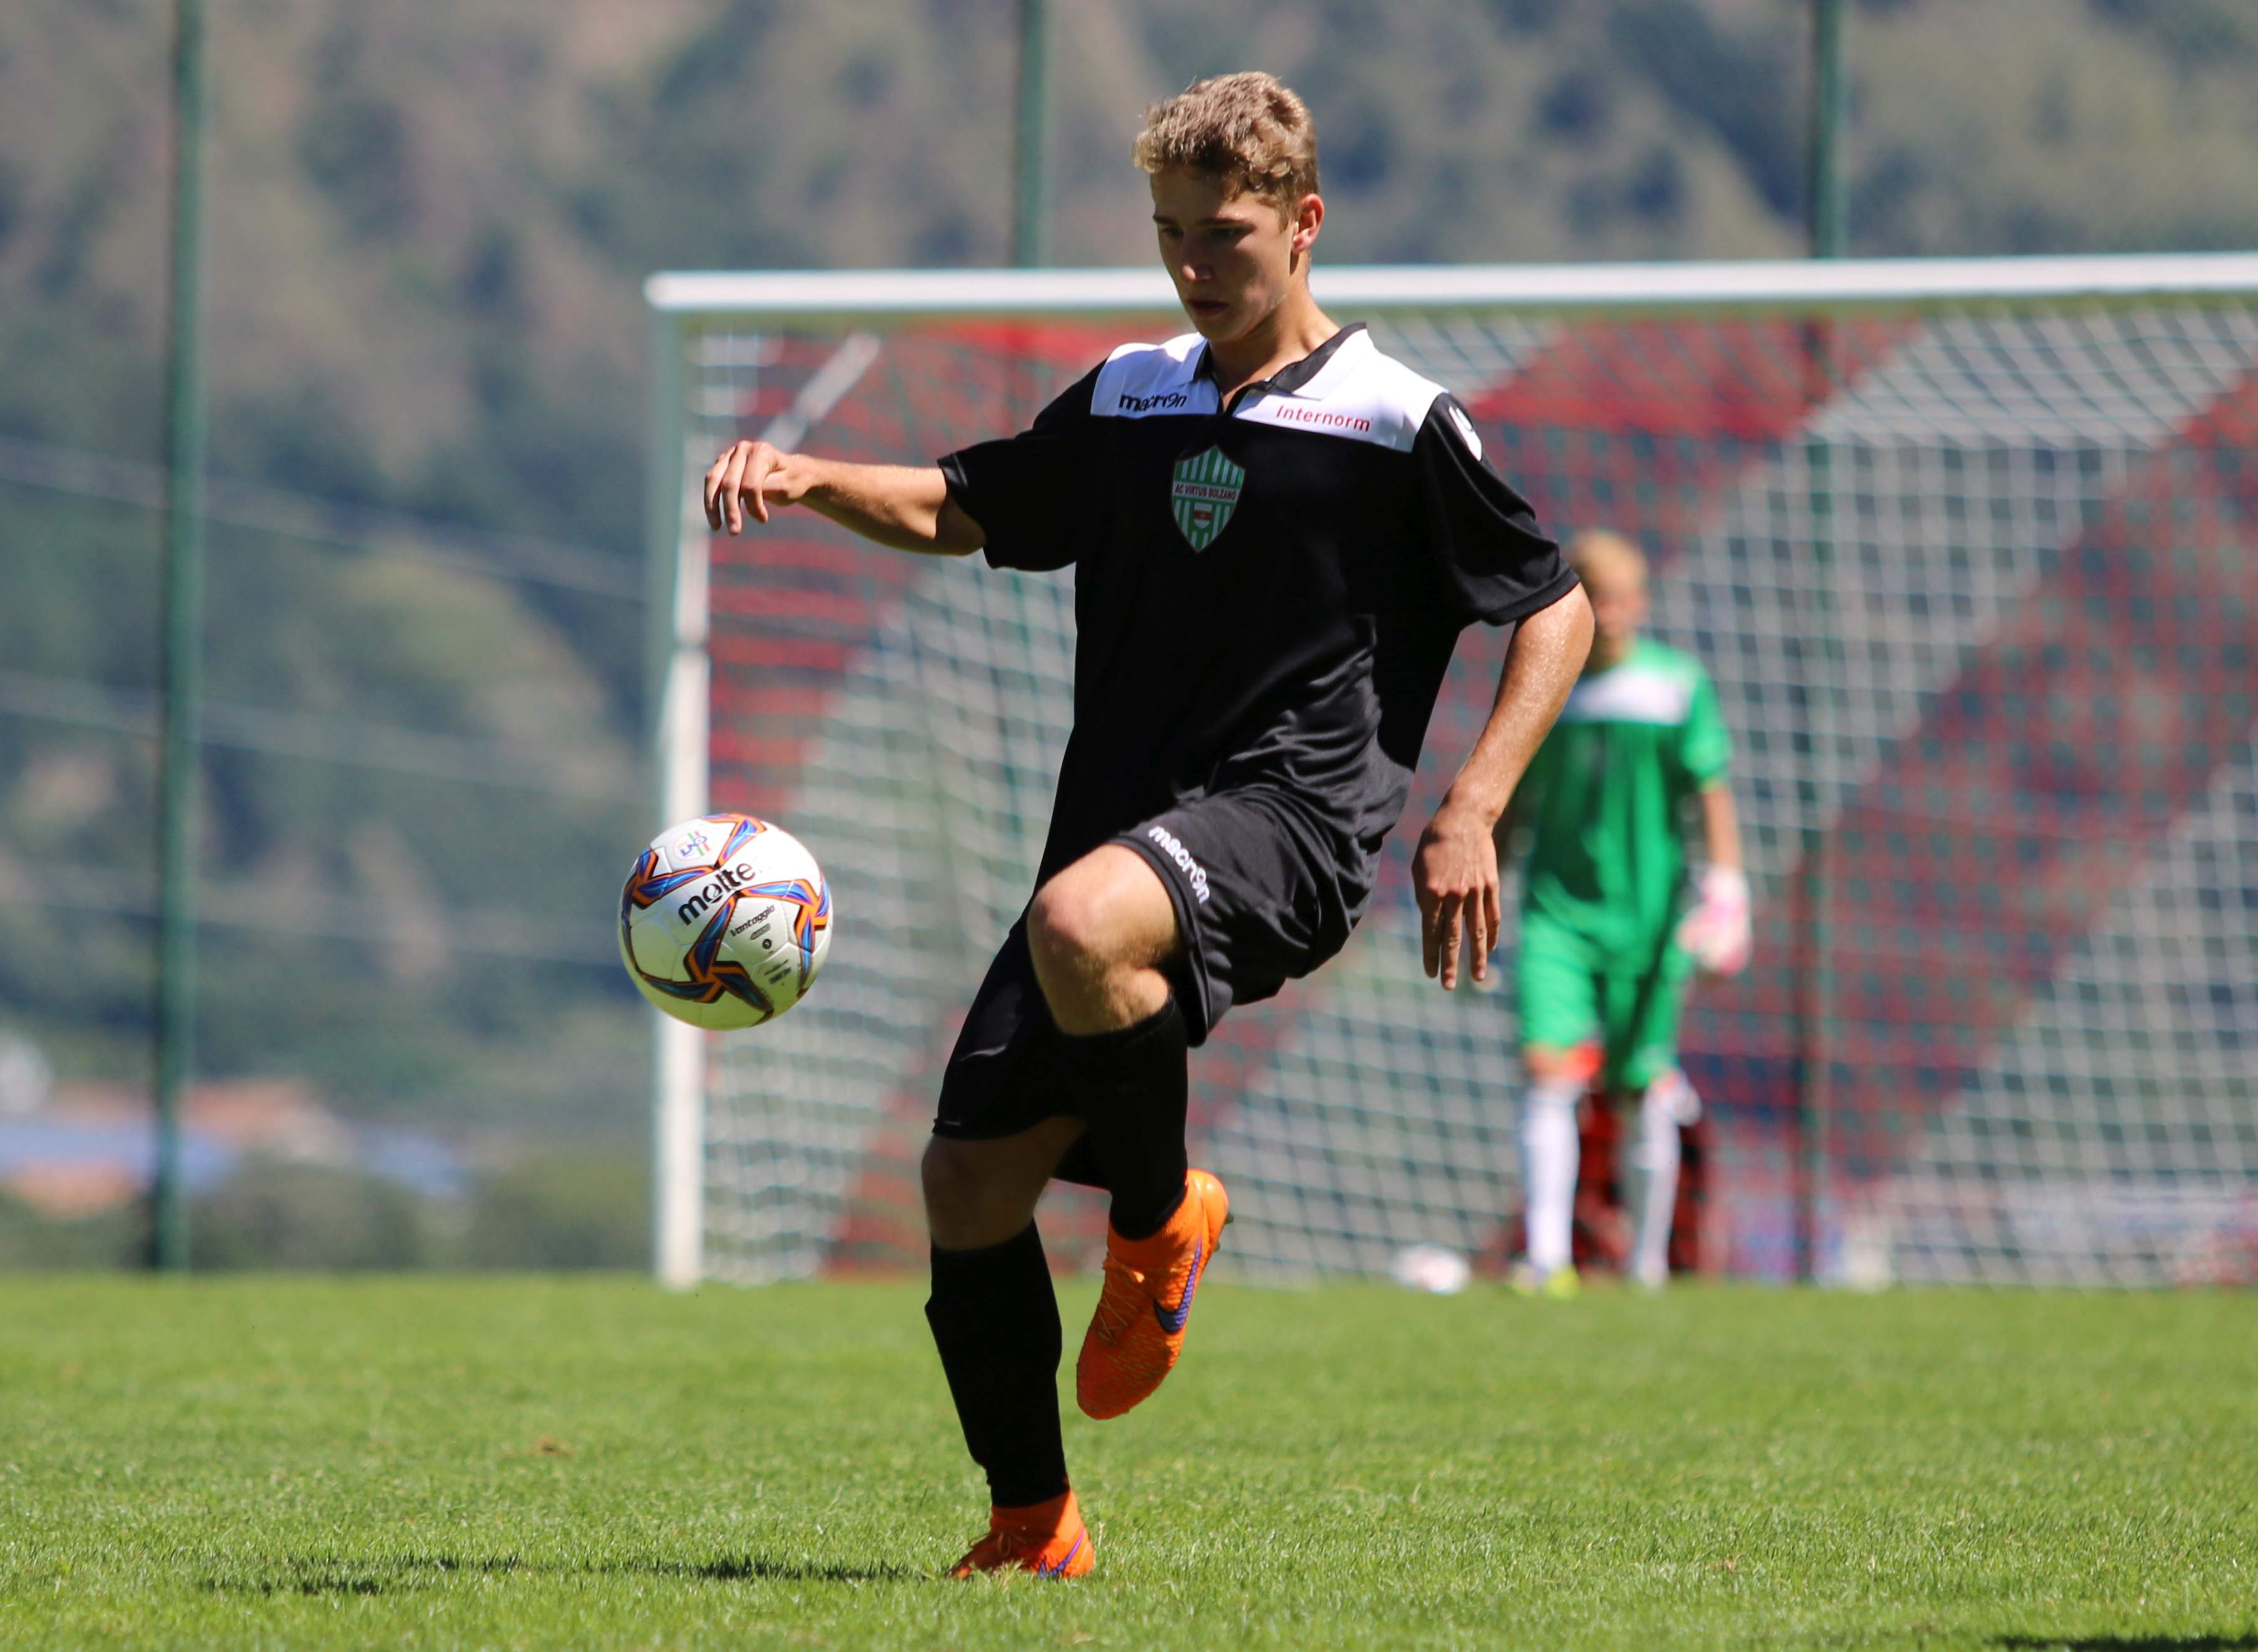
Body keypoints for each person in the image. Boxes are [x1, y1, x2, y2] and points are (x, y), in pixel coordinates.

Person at [701, 73, 1591, 1577]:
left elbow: (1551, 607)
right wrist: (809, 477)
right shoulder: (1130, 394)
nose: (1192, 263)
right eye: (1169, 232)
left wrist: (1472, 804)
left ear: (1302, 225)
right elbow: (969, 504)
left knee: (1075, 922)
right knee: (963, 1182)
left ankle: (1156, 1212)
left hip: (1291, 822)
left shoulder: (1397, 419)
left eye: (1223, 234)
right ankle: (1031, 1525)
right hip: (1119, 835)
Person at [1501, 530, 1746, 1296]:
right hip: (1556, 916)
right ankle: (1545, 1262)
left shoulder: (1676, 686)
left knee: (1641, 1086)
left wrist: (1726, 890)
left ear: (1640, 603)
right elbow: (1514, 794)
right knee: (1548, 1072)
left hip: (1647, 920)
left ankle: (1645, 1267)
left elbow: (1709, 791)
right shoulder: (1547, 684)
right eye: (1593, 597)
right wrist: (1486, 890)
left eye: (1618, 599)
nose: (1606, 614)